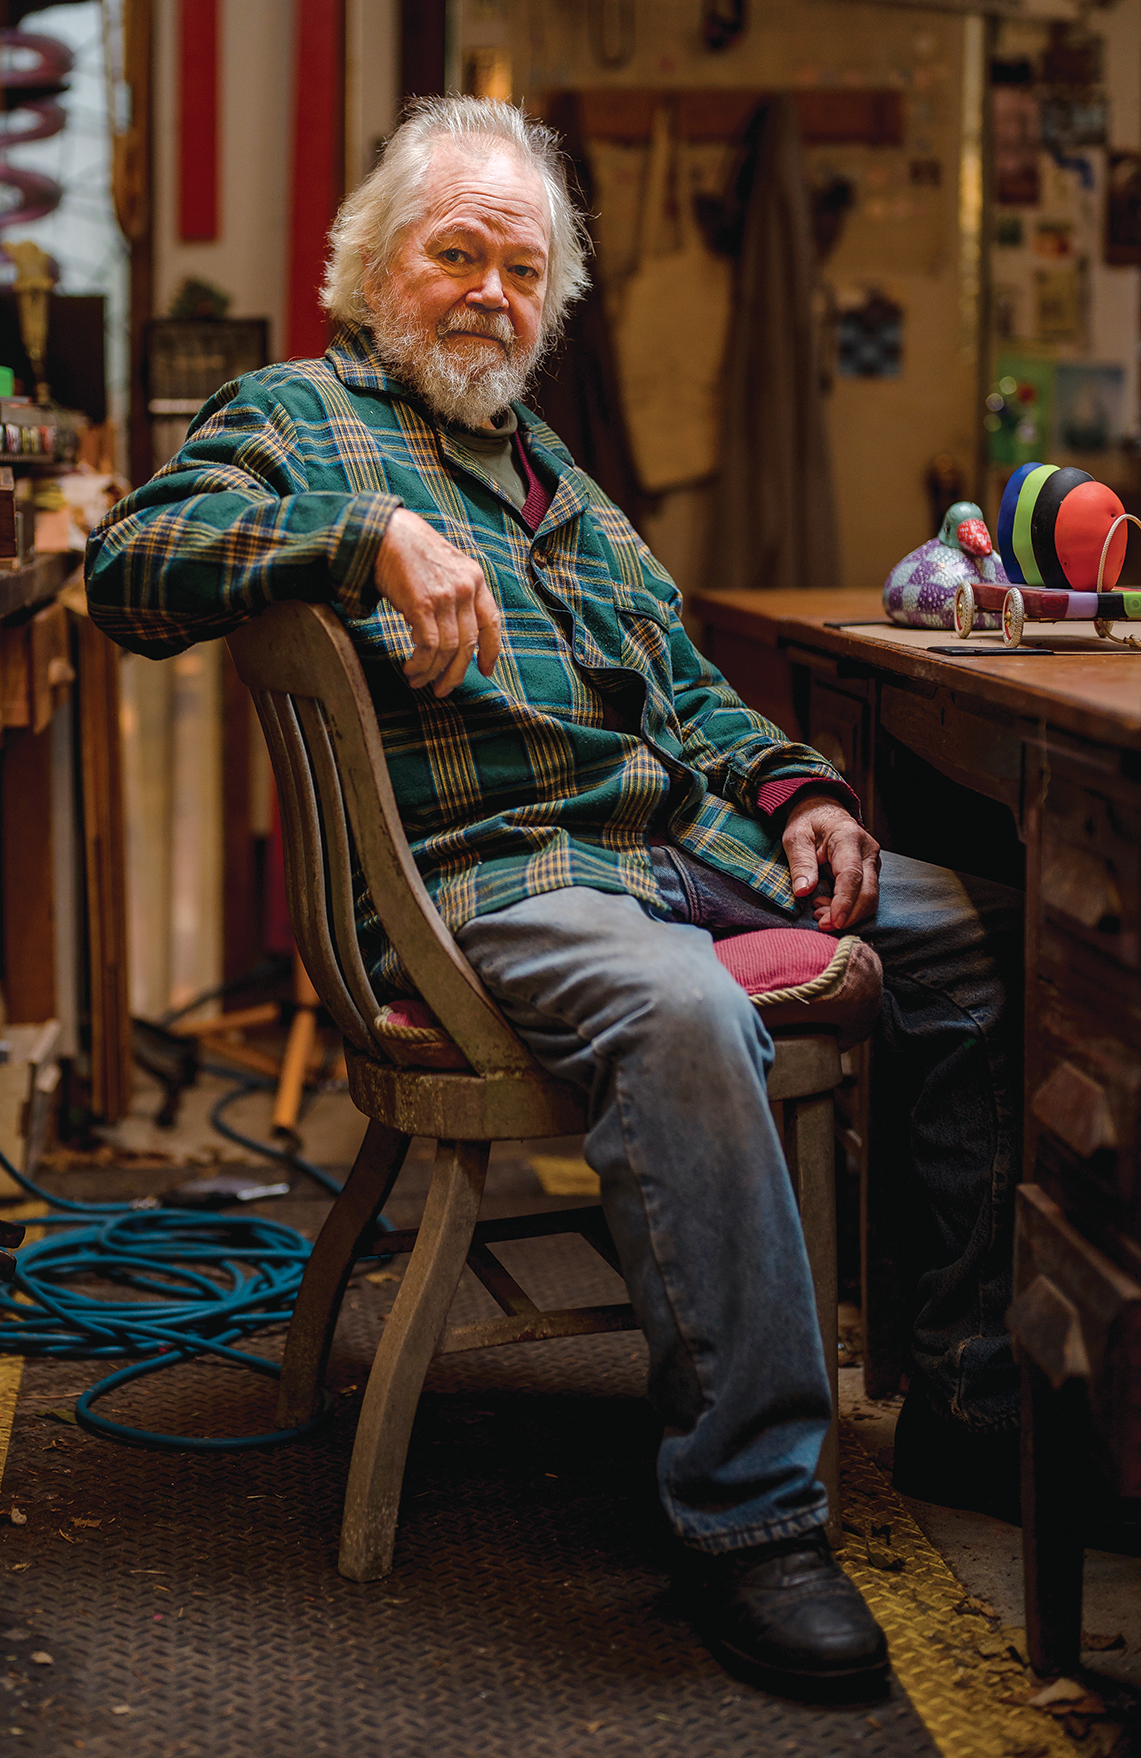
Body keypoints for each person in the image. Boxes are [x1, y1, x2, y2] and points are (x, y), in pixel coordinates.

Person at [86, 96, 1021, 1699]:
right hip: (495, 875)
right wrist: (365, 533)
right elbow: (128, 567)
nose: (490, 295)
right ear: (373, 267)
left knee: (981, 935)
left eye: (520, 273)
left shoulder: (550, 473)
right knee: (683, 1011)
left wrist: (796, 788)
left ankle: (964, 1392)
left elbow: (688, 685)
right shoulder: (299, 416)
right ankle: (751, 1517)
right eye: (457, 255)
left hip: (672, 845)